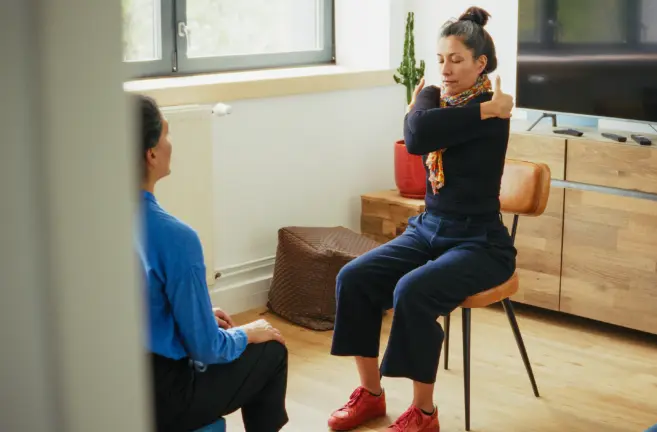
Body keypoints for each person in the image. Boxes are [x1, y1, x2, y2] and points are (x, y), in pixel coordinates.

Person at [327, 7, 516, 432]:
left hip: (480, 242)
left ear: (480, 63)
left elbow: (419, 128)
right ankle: (371, 396)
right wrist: (436, 107)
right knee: (353, 278)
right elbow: (416, 135)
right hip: (428, 229)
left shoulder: (494, 112)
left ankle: (424, 414)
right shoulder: (447, 102)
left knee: (412, 291)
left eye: (457, 59)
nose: (446, 69)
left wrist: (480, 111)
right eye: (441, 59)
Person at [133, 94, 289, 432]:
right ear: (151, 153)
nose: (170, 143)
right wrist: (249, 332)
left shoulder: (87, 229)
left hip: (117, 388)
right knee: (272, 350)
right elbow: (206, 349)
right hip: (165, 399)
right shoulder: (176, 237)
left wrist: (201, 314)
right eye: (167, 134)